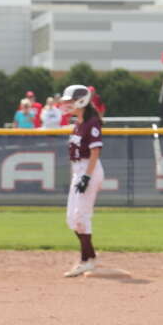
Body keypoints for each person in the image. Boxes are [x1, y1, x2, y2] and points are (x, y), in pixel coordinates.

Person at [59, 84, 105, 277]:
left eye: (70, 101)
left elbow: (95, 152)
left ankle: (86, 260)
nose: (67, 104)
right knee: (72, 218)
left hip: (89, 170)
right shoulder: (78, 122)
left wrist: (86, 176)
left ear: (82, 101)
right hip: (79, 170)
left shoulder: (91, 122)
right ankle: (91, 257)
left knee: (81, 216)